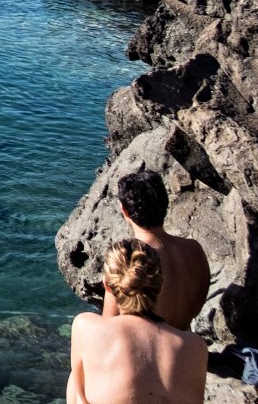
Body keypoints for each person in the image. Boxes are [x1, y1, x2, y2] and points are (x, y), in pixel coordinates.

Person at [68, 239, 207, 404]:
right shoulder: (196, 347)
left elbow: (80, 396)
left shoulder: (85, 326)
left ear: (107, 286)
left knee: (76, 380)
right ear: (160, 286)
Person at [106, 170, 211, 328]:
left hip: (145, 348)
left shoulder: (130, 261)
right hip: (185, 342)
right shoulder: (194, 250)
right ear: (165, 204)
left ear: (125, 211)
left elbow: (109, 325)